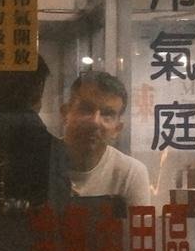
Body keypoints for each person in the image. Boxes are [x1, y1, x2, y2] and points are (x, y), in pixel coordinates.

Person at [59, 63, 153, 205]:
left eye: (107, 114)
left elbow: (139, 227)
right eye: (86, 109)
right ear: (65, 113)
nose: (95, 122)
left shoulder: (130, 173)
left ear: (117, 128)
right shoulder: (39, 164)